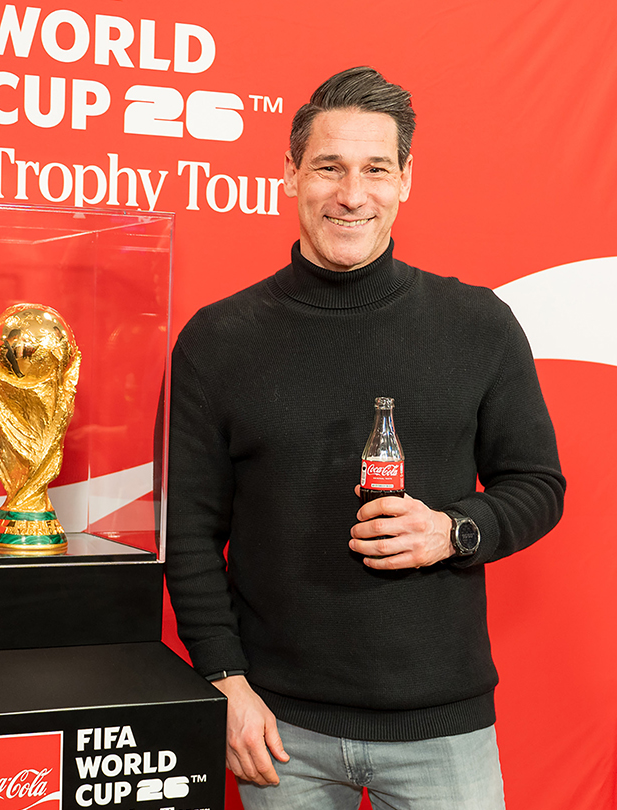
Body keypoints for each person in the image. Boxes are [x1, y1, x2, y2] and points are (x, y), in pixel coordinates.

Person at [163, 66, 564, 809]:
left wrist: (455, 529)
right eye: (329, 168)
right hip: (279, 729)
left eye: (376, 168)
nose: (352, 194)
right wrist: (223, 680)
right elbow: (186, 532)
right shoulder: (219, 340)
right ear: (289, 176)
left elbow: (539, 486)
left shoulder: (477, 325)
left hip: (444, 727)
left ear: (406, 180)